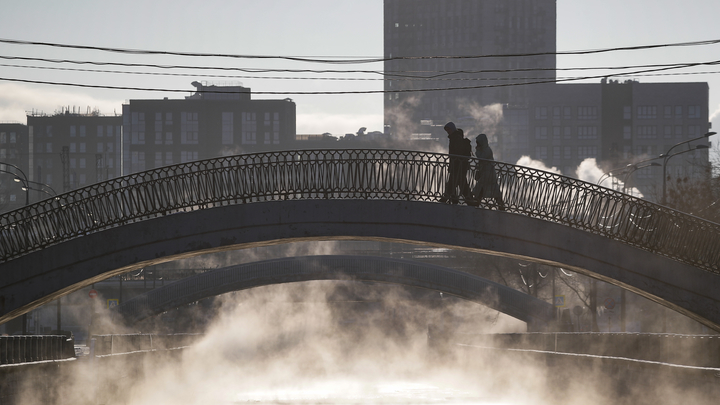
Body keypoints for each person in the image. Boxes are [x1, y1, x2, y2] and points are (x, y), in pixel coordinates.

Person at [441, 122, 475, 205]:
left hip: (458, 165)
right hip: (458, 165)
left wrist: (454, 163)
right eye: (447, 130)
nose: (448, 131)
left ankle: (448, 198)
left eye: (448, 129)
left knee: (455, 182)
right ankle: (467, 200)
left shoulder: (456, 138)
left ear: (452, 129)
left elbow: (456, 153)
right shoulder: (455, 137)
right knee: (460, 183)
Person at [472, 133, 505, 210]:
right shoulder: (485, 149)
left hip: (489, 173)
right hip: (486, 173)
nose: (478, 144)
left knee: (490, 188)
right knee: (483, 187)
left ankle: (500, 204)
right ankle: (477, 201)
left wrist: (477, 151)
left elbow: (481, 157)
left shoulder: (487, 150)